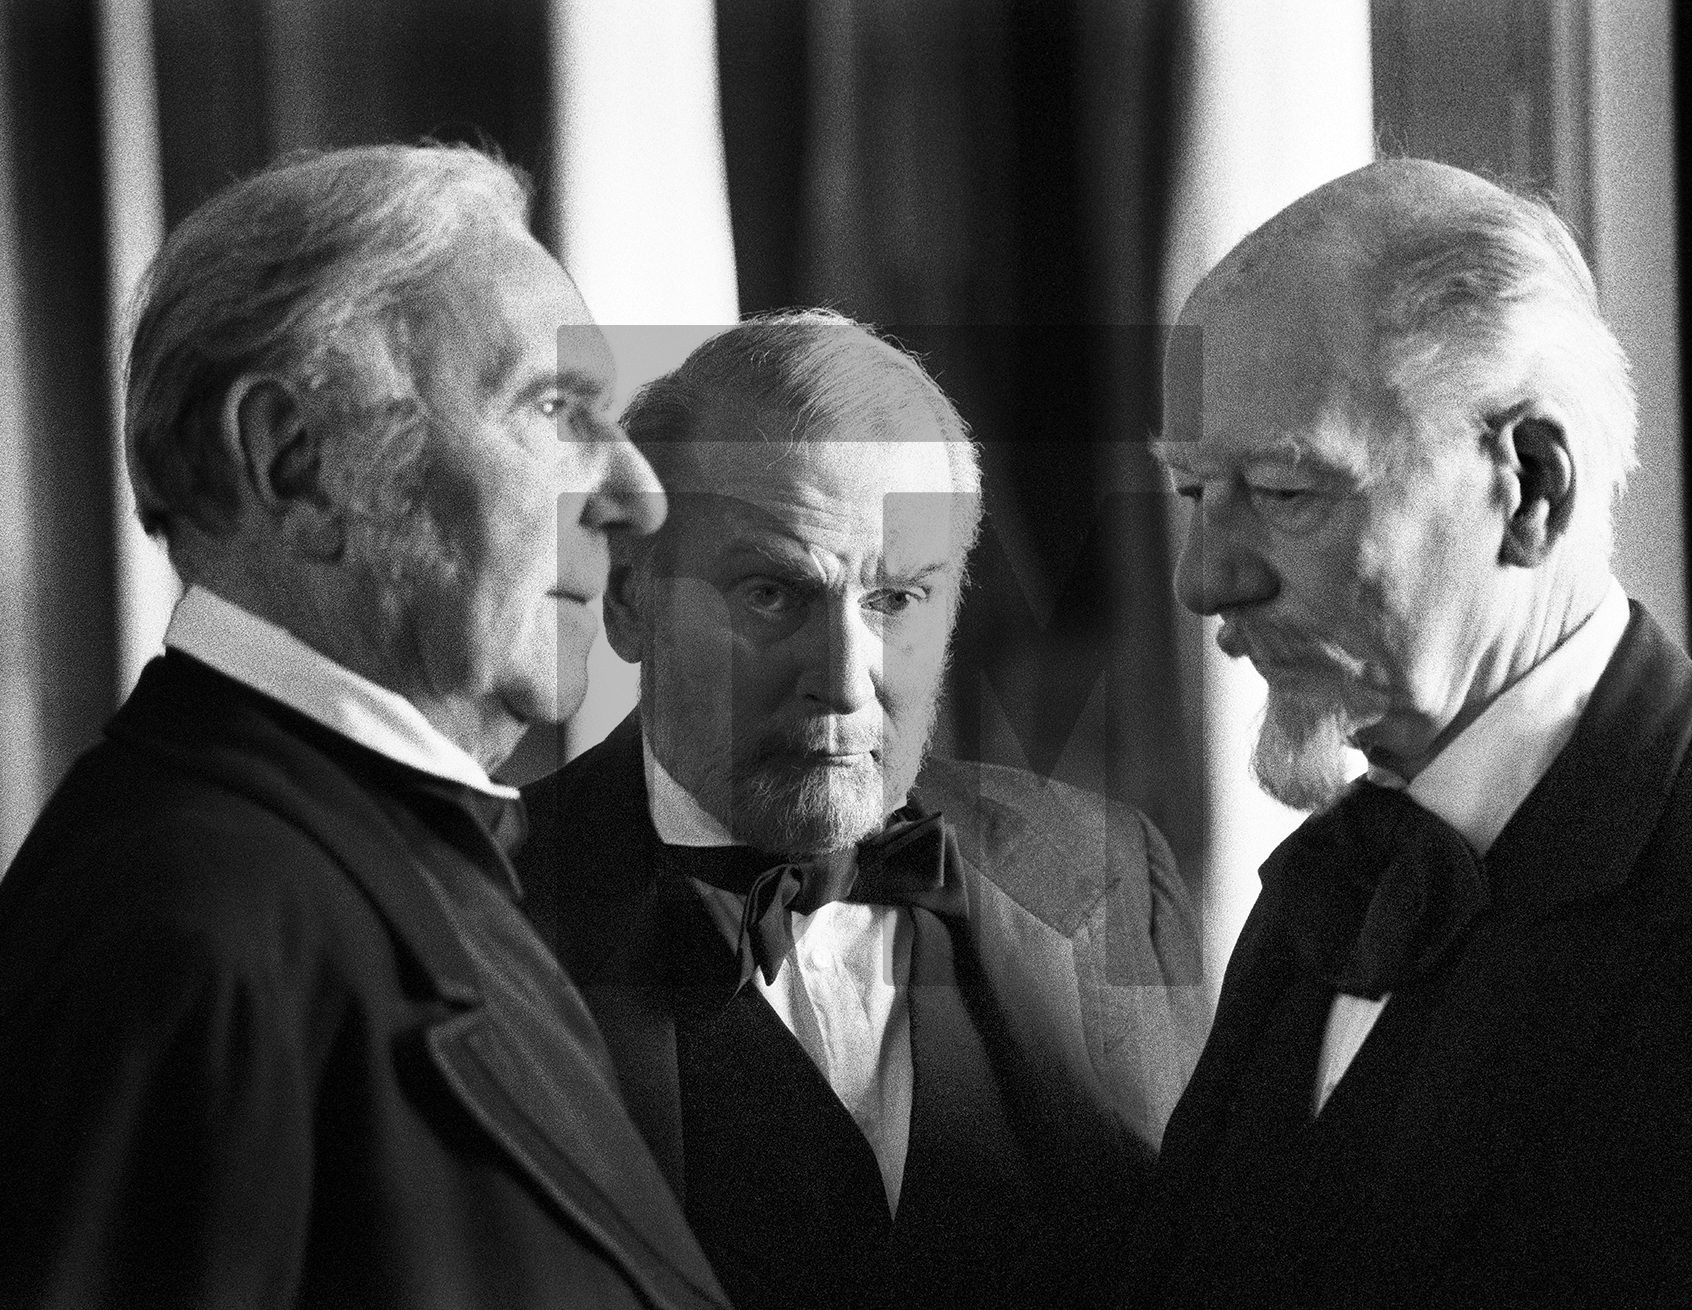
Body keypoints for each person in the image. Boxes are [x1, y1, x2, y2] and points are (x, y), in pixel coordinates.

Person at [0, 144, 729, 1309]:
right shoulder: (192, 930)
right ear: (297, 468)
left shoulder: (373, 858)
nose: (635, 492)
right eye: (551, 408)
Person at [1129, 157, 1692, 1307]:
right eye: (1192, 493)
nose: (1206, 578)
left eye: (1285, 490)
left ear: (1533, 484)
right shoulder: (1315, 903)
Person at [514, 310, 1209, 1310]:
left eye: (895, 601)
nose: (846, 679)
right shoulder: (473, 910)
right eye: (770, 593)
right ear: (628, 596)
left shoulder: (1107, 871)